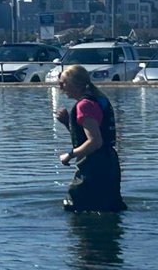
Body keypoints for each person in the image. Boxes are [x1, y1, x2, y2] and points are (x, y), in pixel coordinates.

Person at [54, 65, 127, 212]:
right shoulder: (98, 99)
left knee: (75, 206)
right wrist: (68, 123)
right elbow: (88, 138)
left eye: (63, 83)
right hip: (109, 162)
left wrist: (69, 155)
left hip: (95, 165)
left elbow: (95, 141)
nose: (60, 87)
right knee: (108, 207)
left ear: (77, 84)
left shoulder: (84, 105)